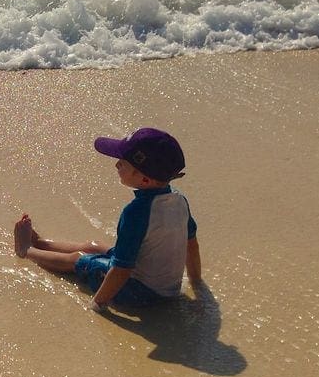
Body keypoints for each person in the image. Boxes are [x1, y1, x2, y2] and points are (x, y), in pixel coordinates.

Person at [14, 127, 201, 312]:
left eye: (123, 163)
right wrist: (196, 282)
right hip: (166, 288)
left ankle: (26, 250)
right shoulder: (179, 200)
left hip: (140, 293)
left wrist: (98, 304)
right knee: (94, 246)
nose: (117, 164)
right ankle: (40, 243)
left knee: (79, 259)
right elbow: (191, 244)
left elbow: (122, 268)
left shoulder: (136, 212)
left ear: (144, 180)